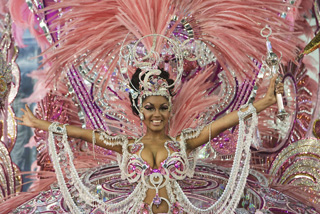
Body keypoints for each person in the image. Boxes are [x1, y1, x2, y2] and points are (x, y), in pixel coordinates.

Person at [15, 67, 283, 214]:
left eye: (162, 107)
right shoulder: (127, 147)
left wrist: (265, 103)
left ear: (170, 109)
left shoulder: (183, 143)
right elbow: (84, 134)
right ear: (140, 110)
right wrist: (42, 125)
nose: (157, 114)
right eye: (150, 108)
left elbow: (224, 123)